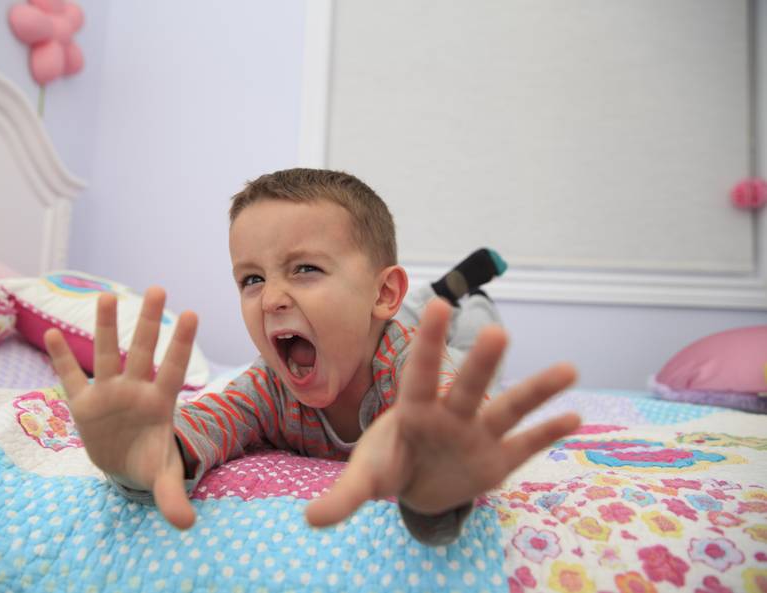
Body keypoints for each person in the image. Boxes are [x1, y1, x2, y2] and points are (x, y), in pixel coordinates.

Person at [44, 168, 579, 545]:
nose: (272, 296)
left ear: (379, 291)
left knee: (468, 336)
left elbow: (452, 418)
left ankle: (460, 292)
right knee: (406, 313)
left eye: (304, 269)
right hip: (379, 316)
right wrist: (154, 452)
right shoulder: (268, 386)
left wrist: (434, 492)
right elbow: (208, 420)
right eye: (251, 278)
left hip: (418, 336)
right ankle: (434, 293)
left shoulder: (419, 370)